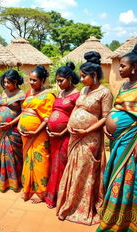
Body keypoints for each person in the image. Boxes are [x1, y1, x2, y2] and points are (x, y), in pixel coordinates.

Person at [97, 42, 137, 232]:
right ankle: (112, 215)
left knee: (129, 178)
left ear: (134, 67)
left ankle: (126, 221)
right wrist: (108, 126)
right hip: (118, 140)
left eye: (122, 66)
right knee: (114, 174)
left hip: (133, 141)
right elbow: (117, 107)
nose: (119, 69)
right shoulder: (126, 85)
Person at [56, 51, 113, 225]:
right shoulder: (84, 90)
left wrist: (86, 130)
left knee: (84, 170)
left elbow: (105, 117)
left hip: (90, 139)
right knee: (73, 169)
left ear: (94, 75)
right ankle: (69, 203)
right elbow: (76, 108)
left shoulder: (105, 93)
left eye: (83, 76)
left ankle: (82, 207)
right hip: (75, 136)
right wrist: (69, 125)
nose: (80, 80)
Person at [18, 65, 55, 203]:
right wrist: (19, 127)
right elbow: (24, 112)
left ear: (43, 80)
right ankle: (27, 189)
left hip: (38, 134)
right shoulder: (28, 93)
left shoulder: (48, 96)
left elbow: (47, 119)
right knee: (28, 161)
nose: (31, 83)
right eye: (30, 80)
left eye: (35, 80)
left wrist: (35, 132)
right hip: (26, 134)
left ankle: (41, 193)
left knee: (40, 161)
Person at [45, 62, 80, 208]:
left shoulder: (78, 94)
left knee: (61, 164)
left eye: (61, 80)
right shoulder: (60, 93)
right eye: (57, 81)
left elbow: (75, 116)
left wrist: (63, 131)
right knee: (53, 164)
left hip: (65, 135)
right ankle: (51, 195)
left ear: (70, 78)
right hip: (53, 136)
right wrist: (49, 129)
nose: (58, 84)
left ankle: (61, 197)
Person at [0, 69, 25, 192]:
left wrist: (10, 123)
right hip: (0, 130)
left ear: (16, 82)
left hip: (12, 130)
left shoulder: (21, 94)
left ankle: (14, 182)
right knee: (2, 155)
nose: (6, 85)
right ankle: (2, 181)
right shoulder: (4, 91)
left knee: (11, 155)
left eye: (9, 82)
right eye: (5, 82)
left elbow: (23, 113)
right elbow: (0, 107)